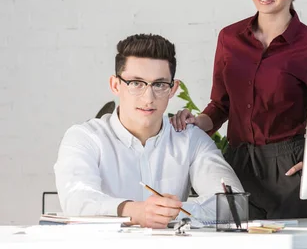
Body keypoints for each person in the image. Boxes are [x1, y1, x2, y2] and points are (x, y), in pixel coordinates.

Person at [171, 0, 307, 219]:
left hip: (289, 171)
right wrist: (196, 121)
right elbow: (220, 106)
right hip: (237, 166)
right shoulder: (229, 38)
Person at [54, 34, 243, 228]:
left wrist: (172, 212)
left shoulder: (190, 139)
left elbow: (234, 203)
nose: (148, 98)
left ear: (172, 89)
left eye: (159, 84)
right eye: (136, 83)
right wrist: (134, 212)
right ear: (115, 85)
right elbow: (76, 199)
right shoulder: (84, 138)